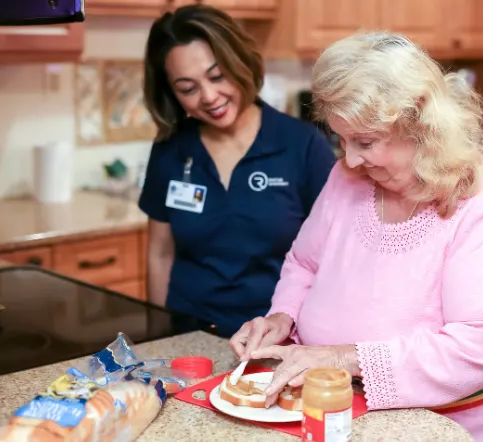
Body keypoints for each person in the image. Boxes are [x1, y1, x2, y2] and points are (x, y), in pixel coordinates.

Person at [229, 32, 483, 441]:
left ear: (422, 126)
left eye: (365, 141)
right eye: (340, 139)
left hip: (453, 430)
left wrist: (345, 358)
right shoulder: (348, 178)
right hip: (338, 414)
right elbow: (305, 263)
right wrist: (282, 318)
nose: (350, 158)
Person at [138, 5, 337, 338]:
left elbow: (333, 256)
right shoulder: (171, 150)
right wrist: (160, 336)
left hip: (277, 338)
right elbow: (160, 253)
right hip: (190, 337)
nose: (209, 97)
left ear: (240, 63)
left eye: (217, 77)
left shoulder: (302, 145)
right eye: (188, 88)